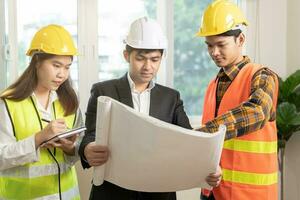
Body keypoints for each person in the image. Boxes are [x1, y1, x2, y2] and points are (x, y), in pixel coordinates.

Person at [79, 17, 222, 200]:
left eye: (155, 59)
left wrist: (209, 166)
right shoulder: (103, 91)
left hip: (159, 194)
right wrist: (87, 149)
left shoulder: (171, 98)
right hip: (113, 193)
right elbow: (90, 135)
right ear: (126, 55)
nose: (148, 67)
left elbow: (190, 141)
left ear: (162, 57)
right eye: (140, 58)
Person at [195, 0, 279, 199]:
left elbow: (257, 113)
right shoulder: (212, 85)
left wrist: (204, 133)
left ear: (240, 40)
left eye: (221, 45)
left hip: (249, 194)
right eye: (209, 46)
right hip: (212, 192)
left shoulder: (262, 76)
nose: (214, 53)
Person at [0, 24, 83, 199]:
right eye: (56, 65)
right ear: (37, 61)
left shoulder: (70, 101)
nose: (62, 74)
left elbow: (78, 152)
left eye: (67, 67)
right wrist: (39, 138)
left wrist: (71, 148)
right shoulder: (8, 103)